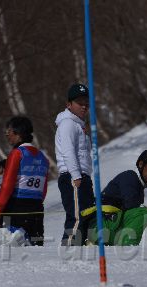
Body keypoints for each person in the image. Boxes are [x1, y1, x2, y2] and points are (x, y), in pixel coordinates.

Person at [83, 150, 147, 246]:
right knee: (143, 213)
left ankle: (114, 245)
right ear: (141, 164)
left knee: (141, 212)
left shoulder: (137, 184)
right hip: (99, 226)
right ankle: (128, 248)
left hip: (109, 227)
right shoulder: (130, 177)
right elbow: (132, 205)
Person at [0, 117, 50, 246]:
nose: (7, 135)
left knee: (16, 248)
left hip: (17, 206)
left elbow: (7, 185)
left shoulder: (17, 153)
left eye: (9, 131)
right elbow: (43, 189)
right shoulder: (43, 157)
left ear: (18, 133)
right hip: (37, 207)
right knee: (36, 247)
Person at [56, 83, 94, 245]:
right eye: (79, 102)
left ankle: (80, 247)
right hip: (73, 176)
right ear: (69, 104)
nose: (84, 106)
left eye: (86, 102)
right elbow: (68, 151)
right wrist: (76, 175)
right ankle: (69, 247)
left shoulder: (79, 125)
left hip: (82, 176)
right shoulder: (68, 124)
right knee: (77, 217)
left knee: (86, 216)